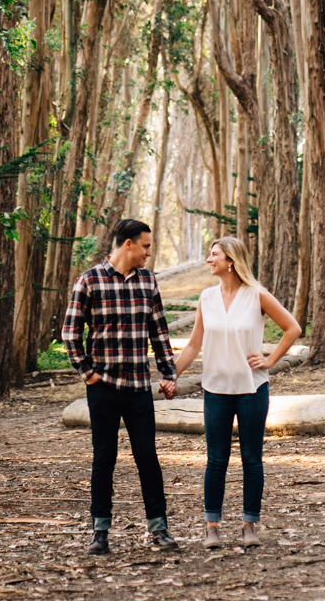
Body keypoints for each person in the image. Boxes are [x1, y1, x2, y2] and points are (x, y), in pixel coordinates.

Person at [60, 217, 181, 555]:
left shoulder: (148, 282)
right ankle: (100, 532)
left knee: (148, 458)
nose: (148, 253)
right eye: (145, 246)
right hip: (103, 388)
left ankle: (159, 529)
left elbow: (159, 332)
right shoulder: (89, 281)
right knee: (104, 459)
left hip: (139, 387)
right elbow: (70, 333)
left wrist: (168, 373)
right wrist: (87, 373)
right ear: (127, 244)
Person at [173, 236, 301, 550]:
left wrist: (270, 360)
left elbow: (293, 328)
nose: (208, 259)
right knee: (216, 460)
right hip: (215, 389)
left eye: (213, 254)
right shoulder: (207, 297)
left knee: (251, 459)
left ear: (230, 261)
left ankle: (249, 525)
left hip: (252, 389)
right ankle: (212, 527)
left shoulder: (255, 295)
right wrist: (170, 375)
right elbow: (193, 345)